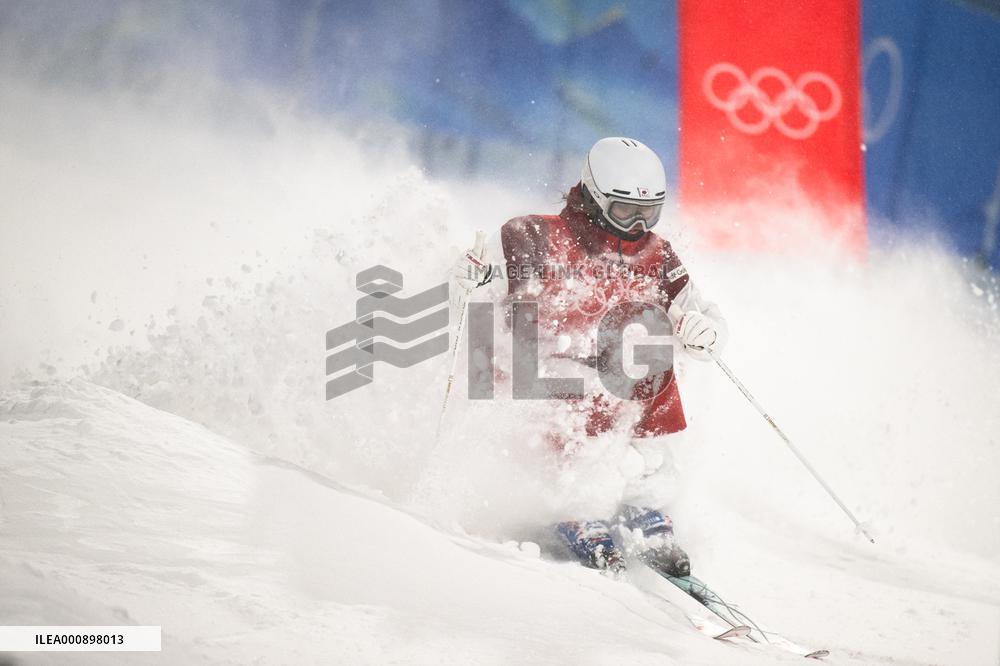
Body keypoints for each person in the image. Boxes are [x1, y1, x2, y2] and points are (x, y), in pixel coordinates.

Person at [450, 137, 728, 576]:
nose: (638, 226)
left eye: (649, 213)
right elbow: (486, 288)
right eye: (625, 212)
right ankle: (571, 507)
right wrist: (470, 277)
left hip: (607, 372)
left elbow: (696, 312)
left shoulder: (656, 255)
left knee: (651, 366)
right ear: (595, 198)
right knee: (575, 388)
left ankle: (644, 504)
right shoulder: (533, 236)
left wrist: (704, 332)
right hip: (533, 371)